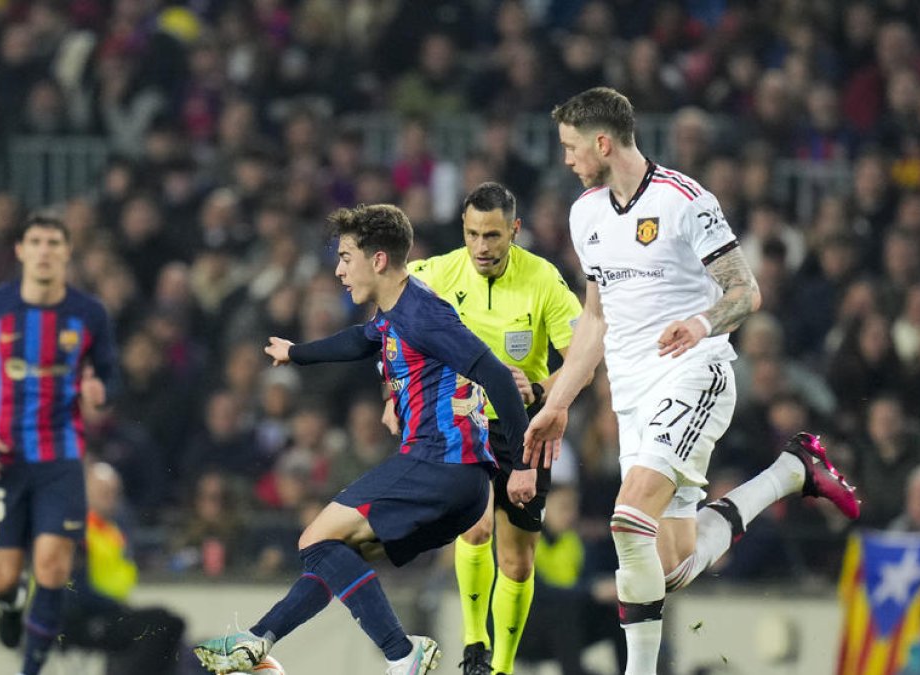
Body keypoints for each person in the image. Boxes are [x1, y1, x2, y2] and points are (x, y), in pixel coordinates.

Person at [523, 87, 861, 675]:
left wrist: (700, 322)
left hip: (692, 374)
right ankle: (791, 472)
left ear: (603, 143)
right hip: (631, 396)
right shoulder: (586, 214)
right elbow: (595, 319)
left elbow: (744, 291)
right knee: (670, 564)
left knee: (628, 520)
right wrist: (560, 400)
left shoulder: (685, 201)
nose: (568, 160)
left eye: (572, 148)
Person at [193, 204, 532, 675]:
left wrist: (521, 465)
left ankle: (401, 653)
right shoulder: (398, 308)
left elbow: (495, 376)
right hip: (454, 481)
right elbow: (361, 339)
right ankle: (257, 643)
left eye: (346, 257)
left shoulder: (422, 313)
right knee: (335, 555)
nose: (338, 270)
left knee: (315, 538)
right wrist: (298, 353)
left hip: (442, 466)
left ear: (377, 260)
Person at [398, 181, 582, 675]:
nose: (482, 247)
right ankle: (473, 642)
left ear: (514, 231)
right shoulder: (434, 274)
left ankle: (500, 667)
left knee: (518, 562)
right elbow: (389, 325)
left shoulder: (543, 280)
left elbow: (583, 356)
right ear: (464, 229)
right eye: (474, 234)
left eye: (493, 236)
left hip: (525, 429)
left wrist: (542, 390)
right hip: (461, 421)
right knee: (474, 525)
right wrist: (393, 393)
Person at [0, 214, 117, 675]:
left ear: (67, 252)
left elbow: (109, 374)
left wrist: (100, 391)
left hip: (60, 457)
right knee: (3, 578)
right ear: (21, 251)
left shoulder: (89, 313)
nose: (45, 250)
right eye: (36, 241)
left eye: (54, 242)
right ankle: (9, 604)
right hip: (2, 459)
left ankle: (30, 670)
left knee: (52, 566)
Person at [60, 461, 186, 675]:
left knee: (170, 623)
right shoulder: (76, 531)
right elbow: (74, 589)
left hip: (107, 612)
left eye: (114, 492)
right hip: (78, 617)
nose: (111, 498)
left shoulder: (111, 531)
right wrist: (114, 607)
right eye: (103, 492)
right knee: (160, 625)